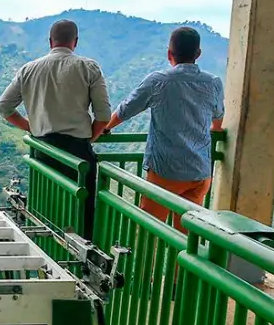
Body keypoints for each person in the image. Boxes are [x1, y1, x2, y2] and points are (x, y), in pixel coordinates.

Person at [95, 26, 224, 225]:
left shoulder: (159, 81)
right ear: (198, 54)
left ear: (169, 53)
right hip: (200, 172)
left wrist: (106, 127)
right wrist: (216, 129)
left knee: (151, 229)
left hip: (166, 171)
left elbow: (126, 109)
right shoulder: (213, 82)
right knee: (187, 235)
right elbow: (218, 115)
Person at [0, 19, 111, 237]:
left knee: (46, 205)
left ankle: (46, 249)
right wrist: (90, 139)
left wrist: (31, 127)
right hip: (78, 154)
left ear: (50, 41)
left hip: (43, 151)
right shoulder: (88, 67)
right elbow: (104, 116)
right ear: (75, 42)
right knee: (81, 208)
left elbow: (4, 107)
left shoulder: (28, 69)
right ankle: (82, 252)